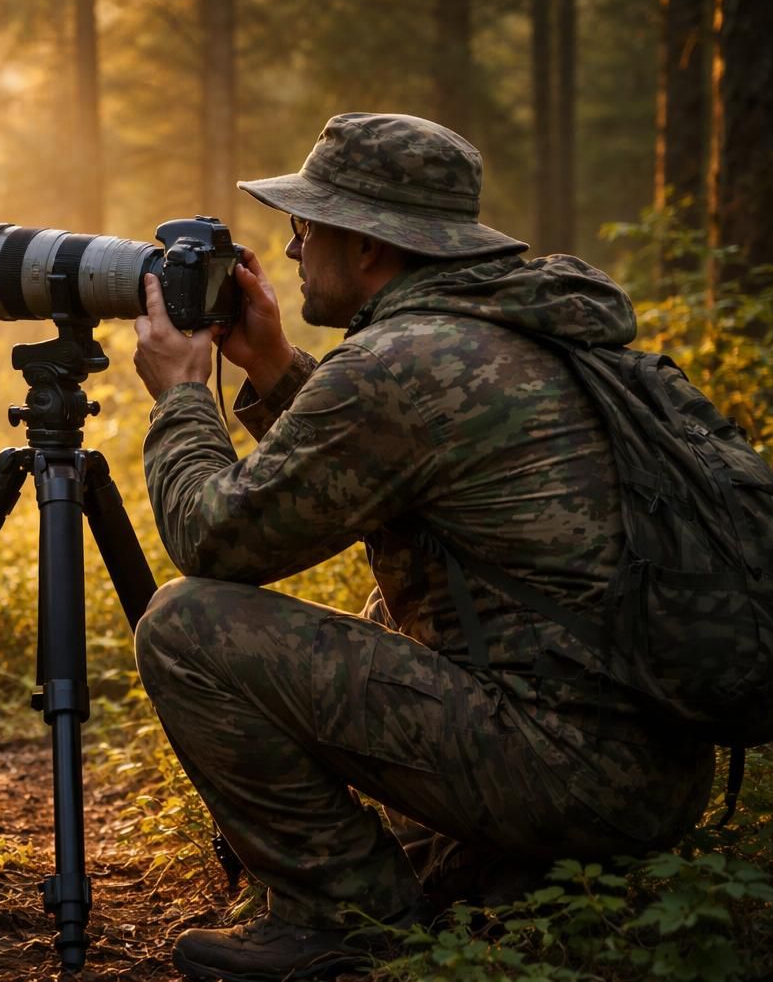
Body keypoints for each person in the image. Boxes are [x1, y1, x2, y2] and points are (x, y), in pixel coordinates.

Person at [130, 112, 716, 982]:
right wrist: (273, 366)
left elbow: (211, 536)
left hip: (567, 772)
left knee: (187, 628)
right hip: (650, 766)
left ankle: (345, 920)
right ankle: (488, 868)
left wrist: (183, 395)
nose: (290, 251)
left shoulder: (397, 364)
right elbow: (382, 463)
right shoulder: (507, 327)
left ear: (368, 246)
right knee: (390, 607)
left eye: (307, 229)